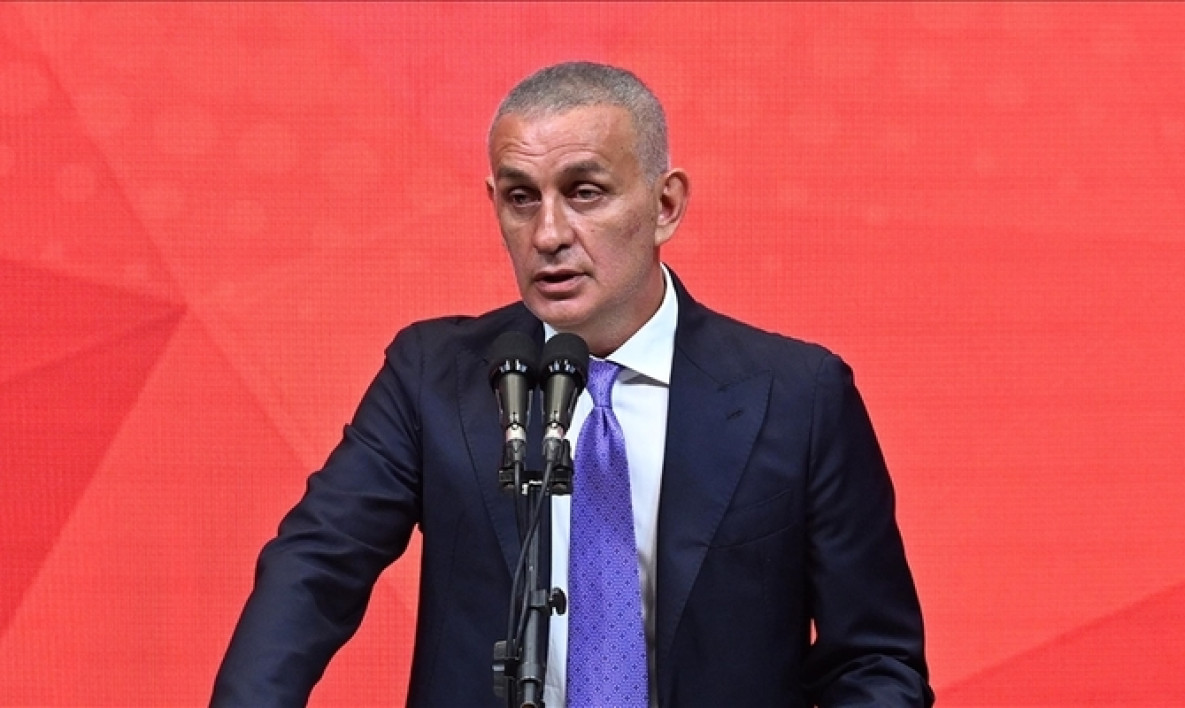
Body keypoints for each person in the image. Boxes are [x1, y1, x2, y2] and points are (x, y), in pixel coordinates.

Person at [213, 61, 932, 707]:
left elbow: (874, 661)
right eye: (520, 198)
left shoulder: (798, 396)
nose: (548, 234)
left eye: (585, 192)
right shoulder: (433, 377)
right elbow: (315, 569)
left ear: (665, 205)